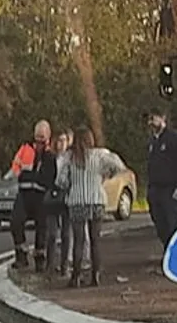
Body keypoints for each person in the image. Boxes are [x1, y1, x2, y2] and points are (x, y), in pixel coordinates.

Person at [63, 126, 124, 287]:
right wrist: (107, 175)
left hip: (77, 200)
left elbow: (61, 180)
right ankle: (95, 275)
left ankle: (75, 276)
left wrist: (70, 184)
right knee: (95, 240)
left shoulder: (69, 157)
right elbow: (119, 165)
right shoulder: (99, 155)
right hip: (97, 199)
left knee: (79, 240)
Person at [9, 120, 58, 271]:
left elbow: (48, 179)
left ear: (48, 138)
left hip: (40, 197)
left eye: (42, 138)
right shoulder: (26, 148)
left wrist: (31, 177)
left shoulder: (50, 157)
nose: (39, 142)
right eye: (37, 138)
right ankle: (21, 255)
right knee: (15, 222)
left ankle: (39, 259)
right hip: (24, 193)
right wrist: (23, 176)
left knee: (41, 228)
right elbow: (16, 166)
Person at [145, 107, 177, 247]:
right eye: (149, 119)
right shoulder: (153, 141)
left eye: (154, 118)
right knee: (161, 225)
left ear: (163, 118)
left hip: (170, 190)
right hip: (155, 190)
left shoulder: (174, 138)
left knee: (174, 224)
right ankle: (168, 251)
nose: (151, 122)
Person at [45, 132, 72, 275]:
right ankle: (50, 265)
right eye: (58, 141)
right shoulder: (49, 158)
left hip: (66, 197)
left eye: (64, 140)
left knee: (66, 234)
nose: (61, 144)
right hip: (52, 198)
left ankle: (64, 265)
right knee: (51, 234)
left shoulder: (71, 159)